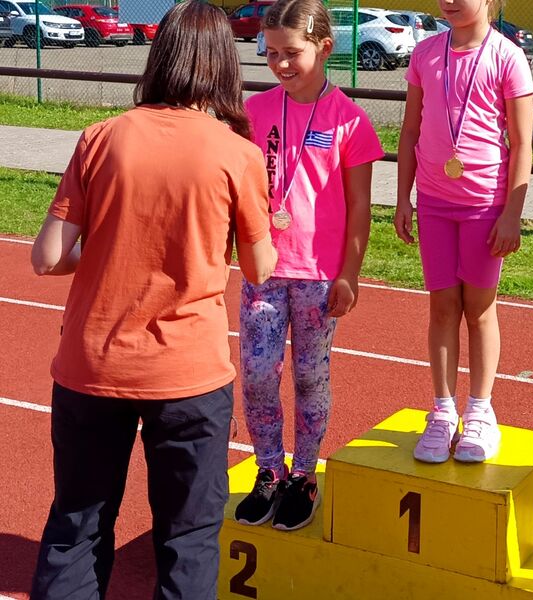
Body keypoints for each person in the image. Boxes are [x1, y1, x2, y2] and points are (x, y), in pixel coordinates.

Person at [28, 2, 277, 599]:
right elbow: (259, 268)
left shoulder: (101, 137)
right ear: (223, 65)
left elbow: (47, 257)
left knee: (78, 525)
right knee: (189, 537)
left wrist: (108, 247)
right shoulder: (237, 152)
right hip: (189, 373)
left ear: (159, 56)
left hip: (93, 364)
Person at [234, 0, 384, 531]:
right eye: (271, 52)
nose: (280, 63)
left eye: (291, 52)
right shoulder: (254, 111)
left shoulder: (350, 120)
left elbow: (360, 206)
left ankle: (303, 474)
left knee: (310, 378)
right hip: (263, 268)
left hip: (319, 275)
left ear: (324, 48)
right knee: (257, 374)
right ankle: (268, 470)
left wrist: (350, 273)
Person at [394, 0, 533, 463]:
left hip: (484, 205)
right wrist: (403, 197)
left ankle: (479, 411)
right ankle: (442, 410)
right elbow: (410, 130)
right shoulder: (425, 53)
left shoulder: (507, 56)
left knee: (479, 309)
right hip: (435, 204)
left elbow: (522, 143)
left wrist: (512, 213)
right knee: (441, 307)